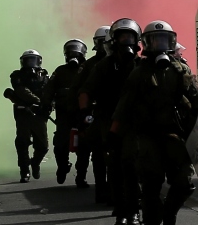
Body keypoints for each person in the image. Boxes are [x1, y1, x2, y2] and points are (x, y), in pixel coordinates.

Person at [113, 21, 198, 225]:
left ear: (171, 42)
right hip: (148, 137)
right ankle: (153, 219)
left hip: (176, 135)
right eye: (155, 40)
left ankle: (169, 214)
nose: (160, 45)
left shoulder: (181, 70)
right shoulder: (139, 73)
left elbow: (196, 104)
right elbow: (124, 107)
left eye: (164, 40)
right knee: (151, 185)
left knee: (184, 183)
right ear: (147, 43)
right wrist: (114, 135)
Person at [80, 18, 143, 225]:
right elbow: (86, 91)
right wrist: (85, 111)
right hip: (108, 121)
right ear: (114, 41)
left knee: (131, 164)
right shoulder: (104, 66)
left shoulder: (142, 65)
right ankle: (120, 209)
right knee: (114, 165)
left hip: (134, 123)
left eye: (130, 37)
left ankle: (133, 210)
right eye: (122, 37)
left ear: (137, 41)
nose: (127, 41)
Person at [43, 39, 91, 187]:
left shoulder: (88, 70)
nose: (73, 55)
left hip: (83, 114)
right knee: (60, 144)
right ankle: (63, 167)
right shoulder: (60, 71)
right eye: (70, 52)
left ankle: (81, 176)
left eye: (76, 51)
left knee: (84, 146)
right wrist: (45, 105)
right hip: (64, 114)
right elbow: (49, 89)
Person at [7, 50, 51, 183]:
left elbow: (49, 92)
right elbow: (21, 90)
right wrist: (37, 102)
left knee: (43, 146)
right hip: (23, 114)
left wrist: (48, 107)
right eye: (28, 60)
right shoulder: (17, 75)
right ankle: (24, 171)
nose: (31, 63)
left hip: (39, 115)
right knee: (22, 142)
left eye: (33, 60)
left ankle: (35, 163)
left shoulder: (44, 76)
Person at [79, 26, 111, 203]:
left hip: (123, 117)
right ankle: (101, 190)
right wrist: (82, 116)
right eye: (101, 43)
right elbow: (80, 91)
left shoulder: (129, 63)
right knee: (98, 155)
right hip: (98, 116)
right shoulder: (91, 66)